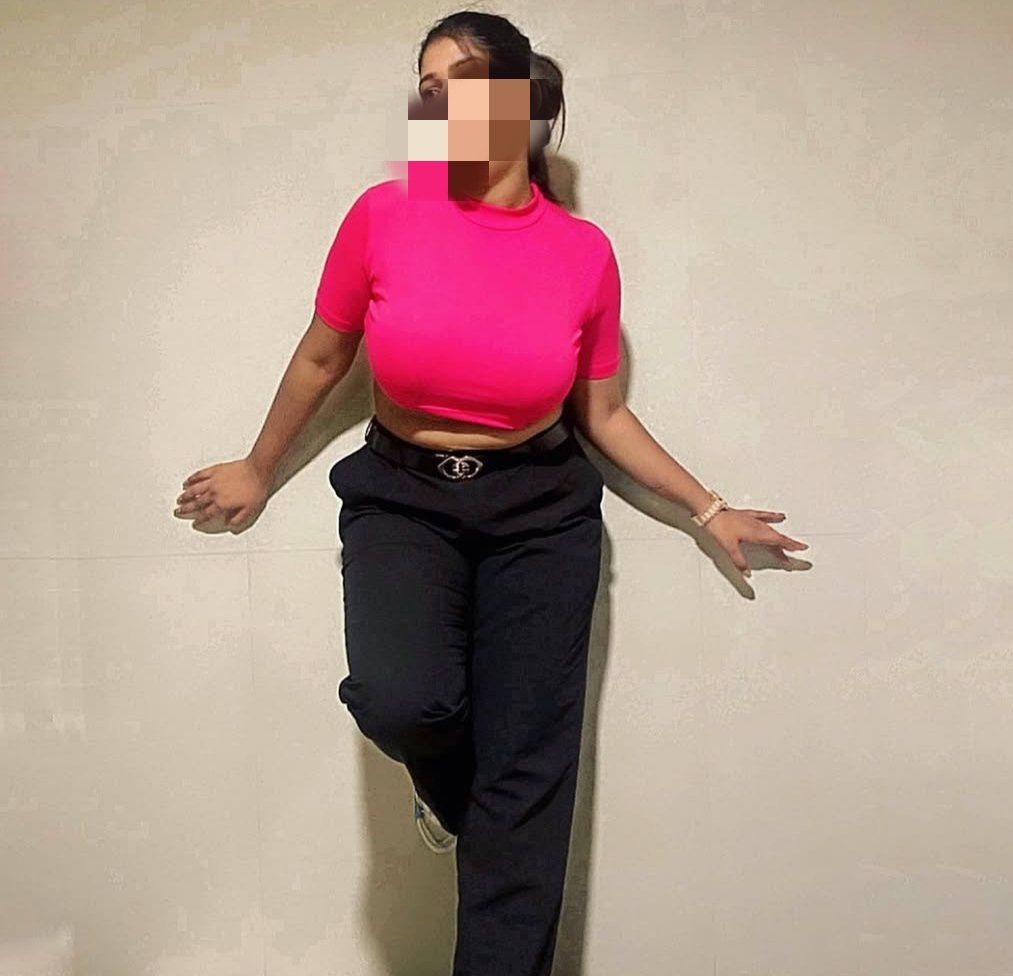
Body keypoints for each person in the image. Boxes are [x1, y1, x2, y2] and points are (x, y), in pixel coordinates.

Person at [172, 11, 809, 976]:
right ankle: (452, 795)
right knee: (403, 701)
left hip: (540, 515)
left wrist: (707, 510)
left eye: (460, 85)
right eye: (426, 90)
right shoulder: (384, 216)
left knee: (530, 775)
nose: (437, 106)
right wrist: (258, 466)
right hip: (402, 498)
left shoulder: (582, 252)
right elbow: (321, 358)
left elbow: (603, 414)